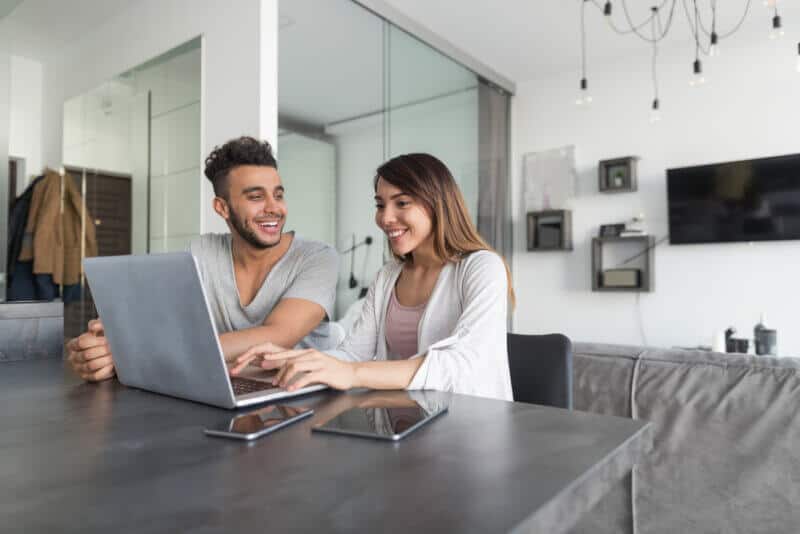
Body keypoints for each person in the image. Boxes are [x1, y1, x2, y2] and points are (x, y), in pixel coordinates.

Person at [232, 153, 514, 400]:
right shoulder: (388, 276)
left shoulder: (482, 267)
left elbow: (462, 363)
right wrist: (293, 359)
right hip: (409, 423)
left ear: (437, 204)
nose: (385, 218)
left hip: (472, 428)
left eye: (402, 203)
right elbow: (354, 354)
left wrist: (353, 374)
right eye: (380, 205)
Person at [66, 136, 339, 382]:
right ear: (222, 208)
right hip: (229, 388)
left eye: (278, 195)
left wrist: (137, 349)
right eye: (256, 196)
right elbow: (155, 318)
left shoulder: (317, 258)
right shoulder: (202, 252)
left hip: (306, 400)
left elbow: (277, 335)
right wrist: (107, 344)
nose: (274, 208)